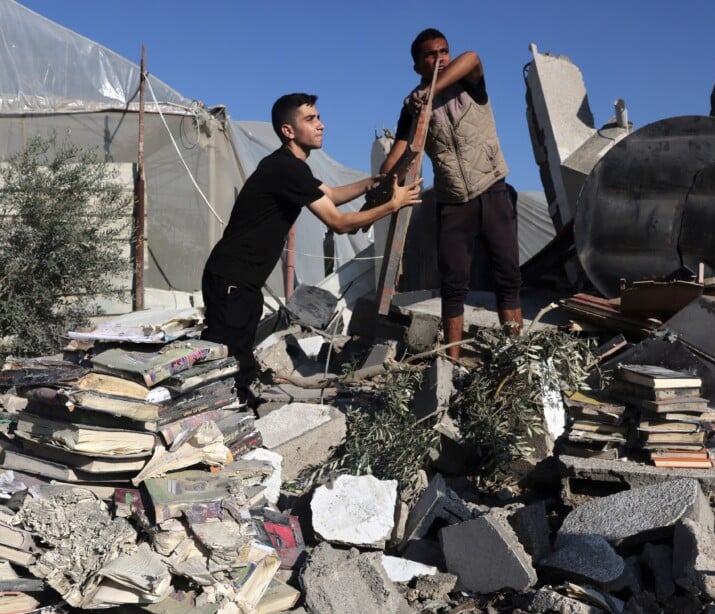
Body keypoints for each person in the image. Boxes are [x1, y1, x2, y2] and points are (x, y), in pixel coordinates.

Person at [201, 93, 422, 405]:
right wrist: (393, 204)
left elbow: (330, 194)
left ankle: (240, 410)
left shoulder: (291, 167)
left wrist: (370, 183)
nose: (321, 125)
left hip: (241, 279)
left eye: (318, 117)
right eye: (310, 119)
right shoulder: (285, 169)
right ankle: (209, 417)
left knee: (238, 355)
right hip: (231, 278)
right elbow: (339, 222)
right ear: (288, 131)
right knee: (223, 358)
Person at [380, 28, 523, 361]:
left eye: (444, 51)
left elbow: (472, 58)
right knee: (454, 285)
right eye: (431, 55)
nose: (440, 58)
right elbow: (397, 158)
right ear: (417, 66)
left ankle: (516, 356)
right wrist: (380, 187)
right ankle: (452, 361)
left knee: (508, 277)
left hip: (492, 188)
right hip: (452, 201)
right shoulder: (411, 109)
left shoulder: (467, 82)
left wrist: (430, 94)